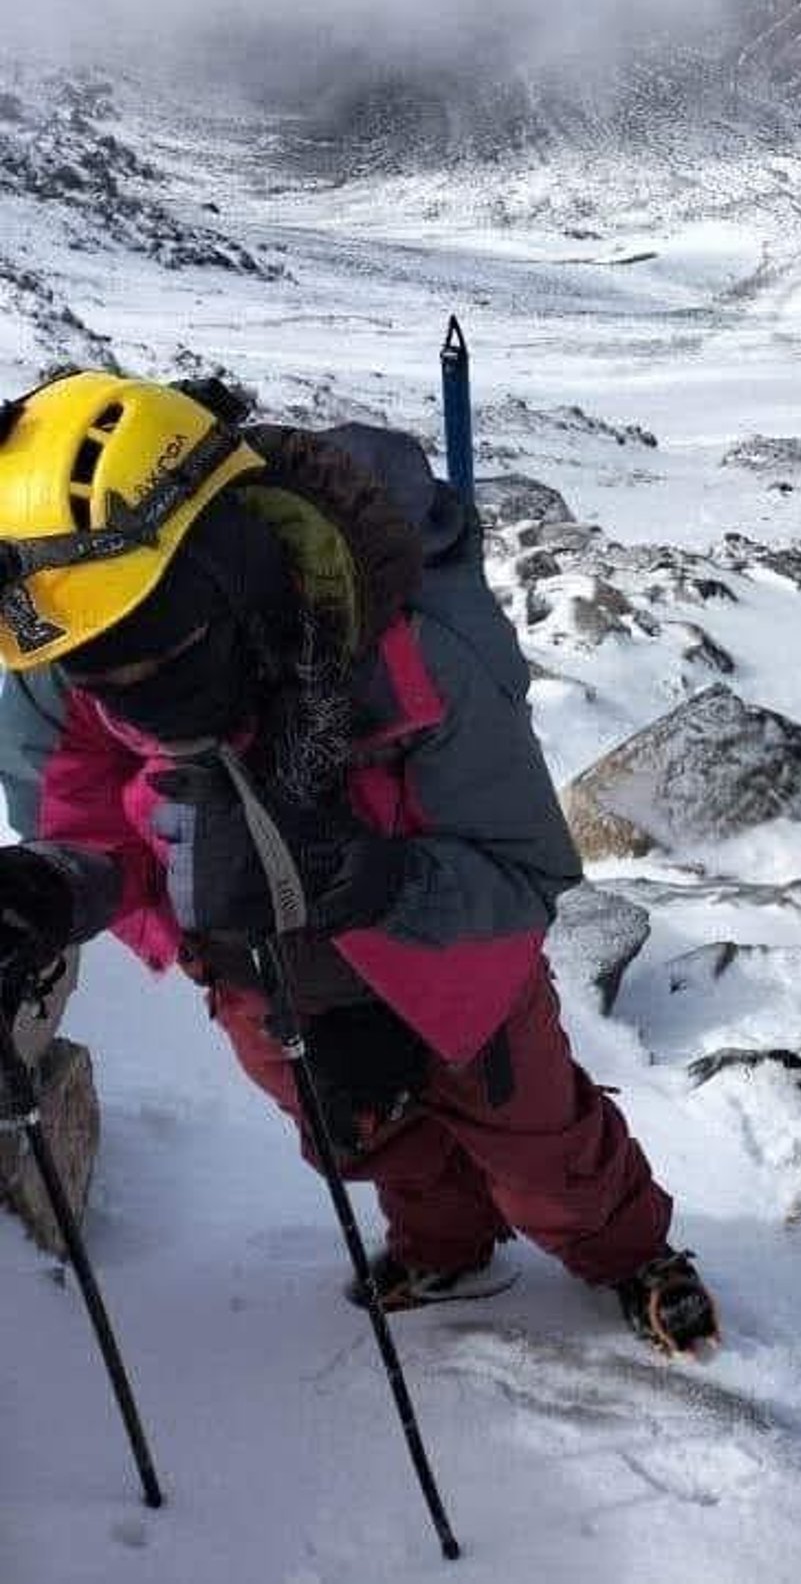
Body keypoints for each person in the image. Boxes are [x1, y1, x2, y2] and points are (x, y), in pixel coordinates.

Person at [0, 369, 716, 1353]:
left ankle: (629, 1250)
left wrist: (370, 883)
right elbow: (89, 823)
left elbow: (522, 872)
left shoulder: (413, 651)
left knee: (538, 1139)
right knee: (366, 1139)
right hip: (262, 976)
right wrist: (58, 887)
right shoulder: (68, 644)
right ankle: (450, 1247)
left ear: (225, 566)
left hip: (457, 970)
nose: (126, 681)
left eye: (152, 640)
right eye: (96, 659)